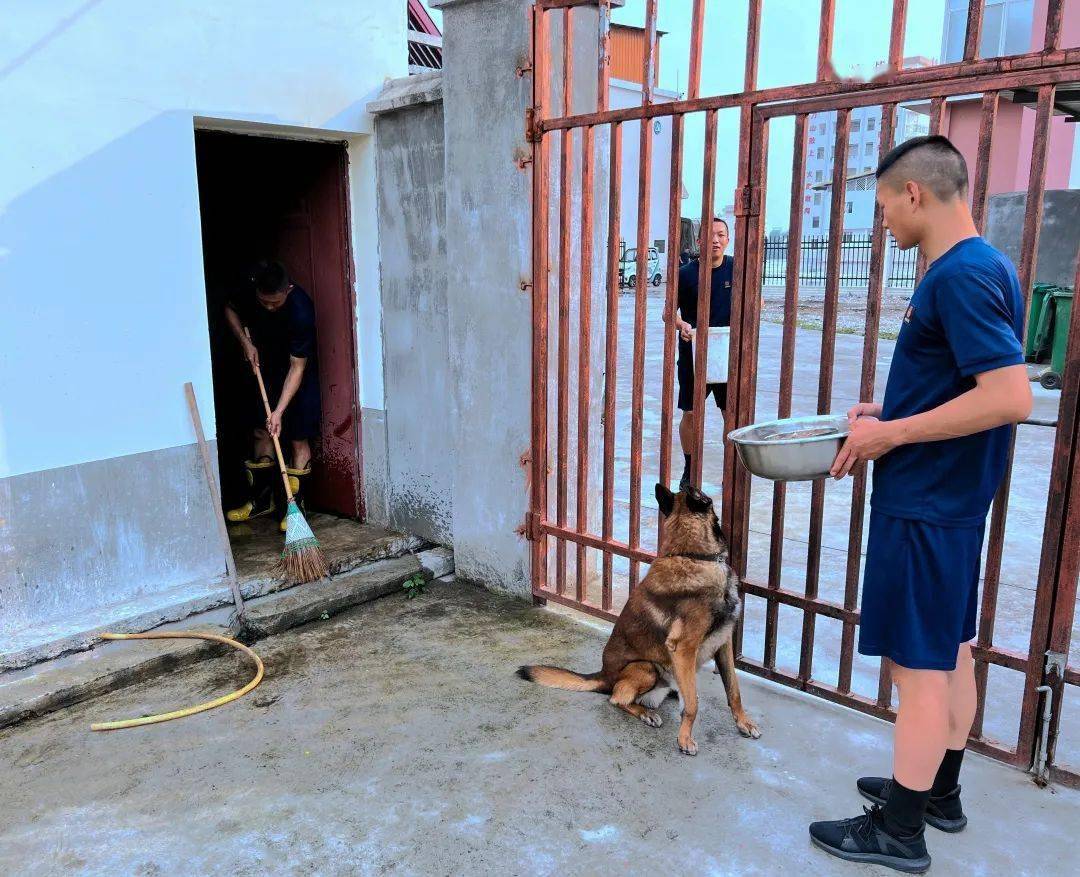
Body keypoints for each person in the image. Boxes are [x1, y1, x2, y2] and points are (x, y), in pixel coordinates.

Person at [809, 135, 1032, 872]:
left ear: (915, 194)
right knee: (952, 649)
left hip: (928, 505)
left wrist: (892, 433)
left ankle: (899, 829)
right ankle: (937, 790)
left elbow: (1008, 396)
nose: (881, 225)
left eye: (881, 208)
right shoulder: (986, 264)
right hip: (952, 502)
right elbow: (966, 382)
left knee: (917, 670)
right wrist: (892, 405)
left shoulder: (958, 277)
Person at [224, 260, 321, 532]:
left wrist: (278, 411)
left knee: (297, 438)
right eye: (263, 302)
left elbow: (297, 367)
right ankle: (260, 501)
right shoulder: (250, 292)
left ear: (288, 290)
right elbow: (230, 309)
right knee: (261, 432)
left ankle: (295, 510)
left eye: (274, 304)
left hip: (295, 375)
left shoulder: (301, 309)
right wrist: (245, 343)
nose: (268, 307)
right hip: (262, 369)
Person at [667, 217, 732, 490]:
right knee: (691, 413)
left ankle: (731, 470)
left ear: (727, 240)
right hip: (693, 352)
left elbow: (756, 300)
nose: (715, 240)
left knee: (732, 414)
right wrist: (681, 324)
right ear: (699, 242)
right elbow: (668, 312)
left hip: (727, 354)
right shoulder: (686, 274)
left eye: (720, 234)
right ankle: (690, 467)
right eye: (709, 235)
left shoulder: (737, 269)